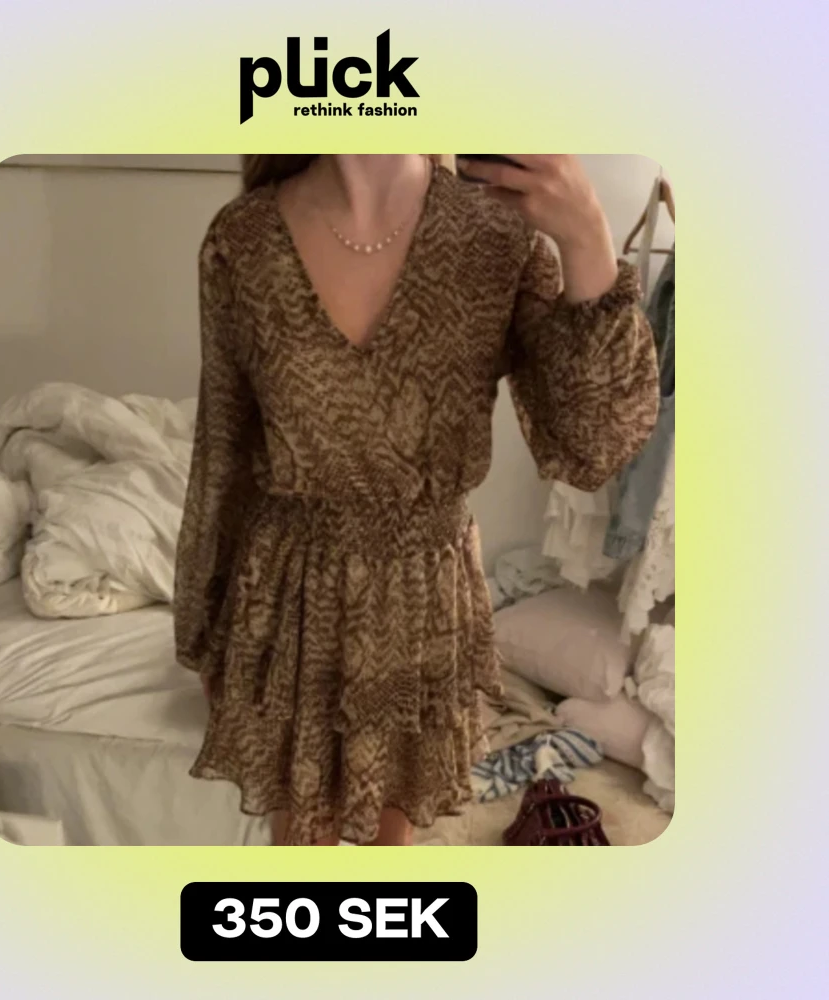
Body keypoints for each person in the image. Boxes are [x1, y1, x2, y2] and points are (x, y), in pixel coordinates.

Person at [173, 154, 659, 846]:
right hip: (288, 597)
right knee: (299, 853)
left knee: (389, 852)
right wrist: (206, 631)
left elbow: (594, 445)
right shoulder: (243, 241)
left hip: (423, 599)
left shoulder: (495, 236)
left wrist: (586, 238)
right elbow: (221, 448)